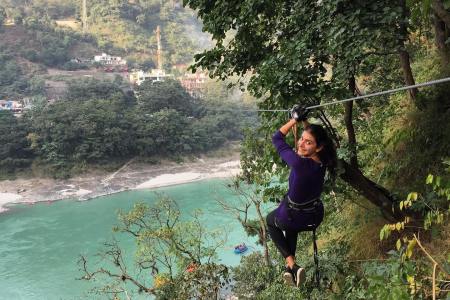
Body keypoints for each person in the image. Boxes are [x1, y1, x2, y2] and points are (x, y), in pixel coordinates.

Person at [266, 105, 337, 287]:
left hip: (294, 216)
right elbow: (313, 137)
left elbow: (277, 138)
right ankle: (291, 271)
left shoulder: (299, 164)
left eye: (308, 142)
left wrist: (293, 120)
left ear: (319, 147)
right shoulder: (324, 161)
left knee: (270, 220)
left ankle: (291, 264)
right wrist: (304, 120)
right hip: (312, 216)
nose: (301, 144)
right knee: (292, 227)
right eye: (302, 139)